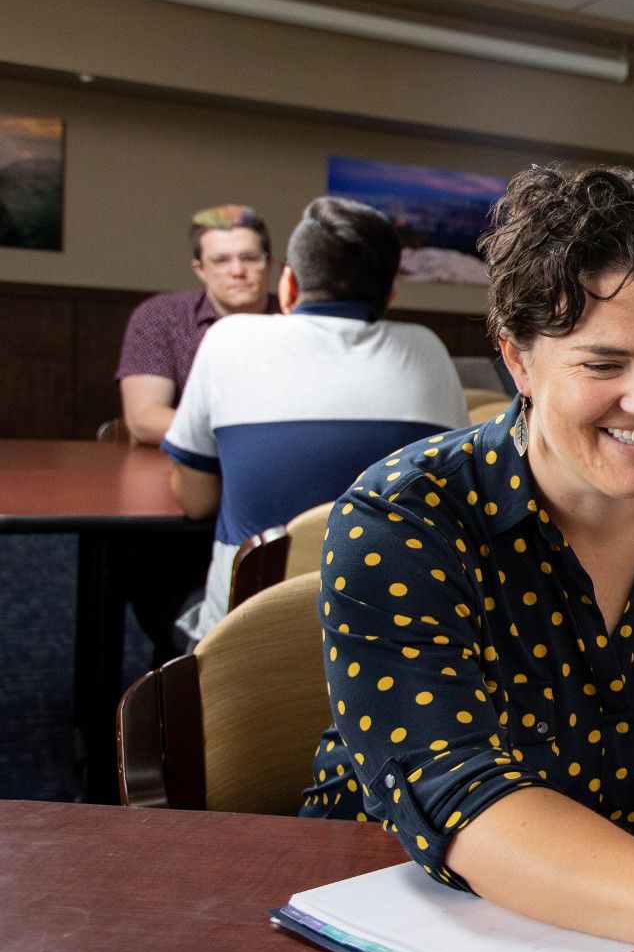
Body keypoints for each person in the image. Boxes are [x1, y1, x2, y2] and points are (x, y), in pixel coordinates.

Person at [300, 166, 634, 952]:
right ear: (518, 362)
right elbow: (455, 789)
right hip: (406, 903)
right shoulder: (404, 517)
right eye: (603, 365)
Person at [161, 197, 469, 639]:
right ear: (388, 298)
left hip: (246, 640)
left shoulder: (227, 340)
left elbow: (196, 500)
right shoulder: (427, 351)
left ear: (288, 286)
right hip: (388, 635)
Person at [116, 205, 278, 447]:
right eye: (221, 260)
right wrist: (240, 439)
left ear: (269, 262)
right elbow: (144, 418)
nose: (237, 271)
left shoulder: (296, 318)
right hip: (181, 466)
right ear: (200, 270)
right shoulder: (160, 316)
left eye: (249, 258)